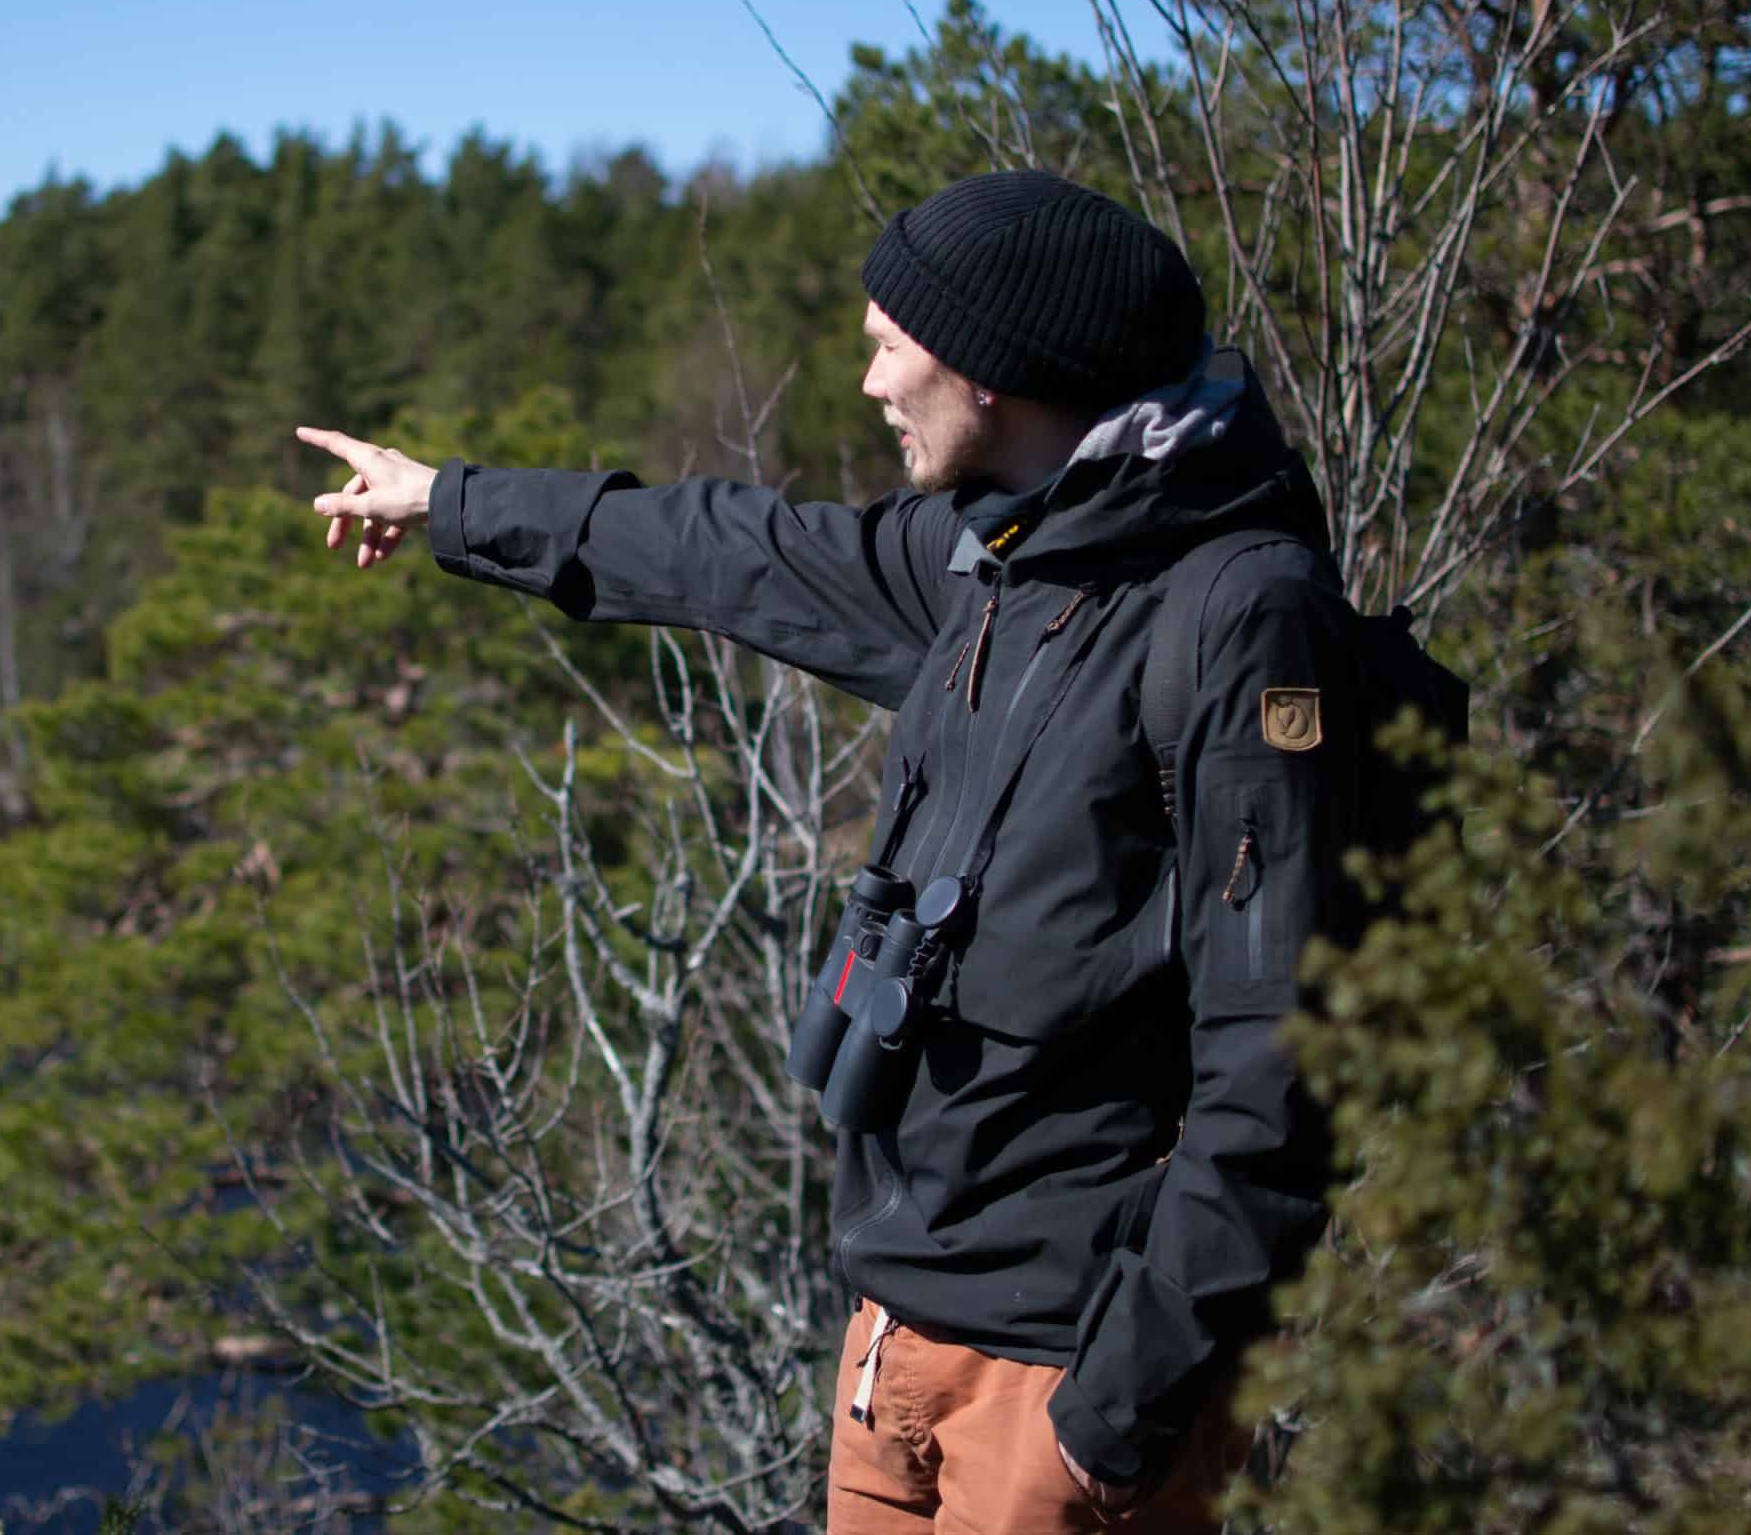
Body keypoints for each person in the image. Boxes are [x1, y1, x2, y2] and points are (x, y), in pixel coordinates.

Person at [296, 170, 1345, 1533]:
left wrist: (1118, 1410)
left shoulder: (1236, 616)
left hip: (1062, 1383)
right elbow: (731, 549)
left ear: (999, 371)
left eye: (888, 345)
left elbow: (1286, 1060)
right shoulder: (999, 559)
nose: (869, 382)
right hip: (896, 1334)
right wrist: (453, 504)